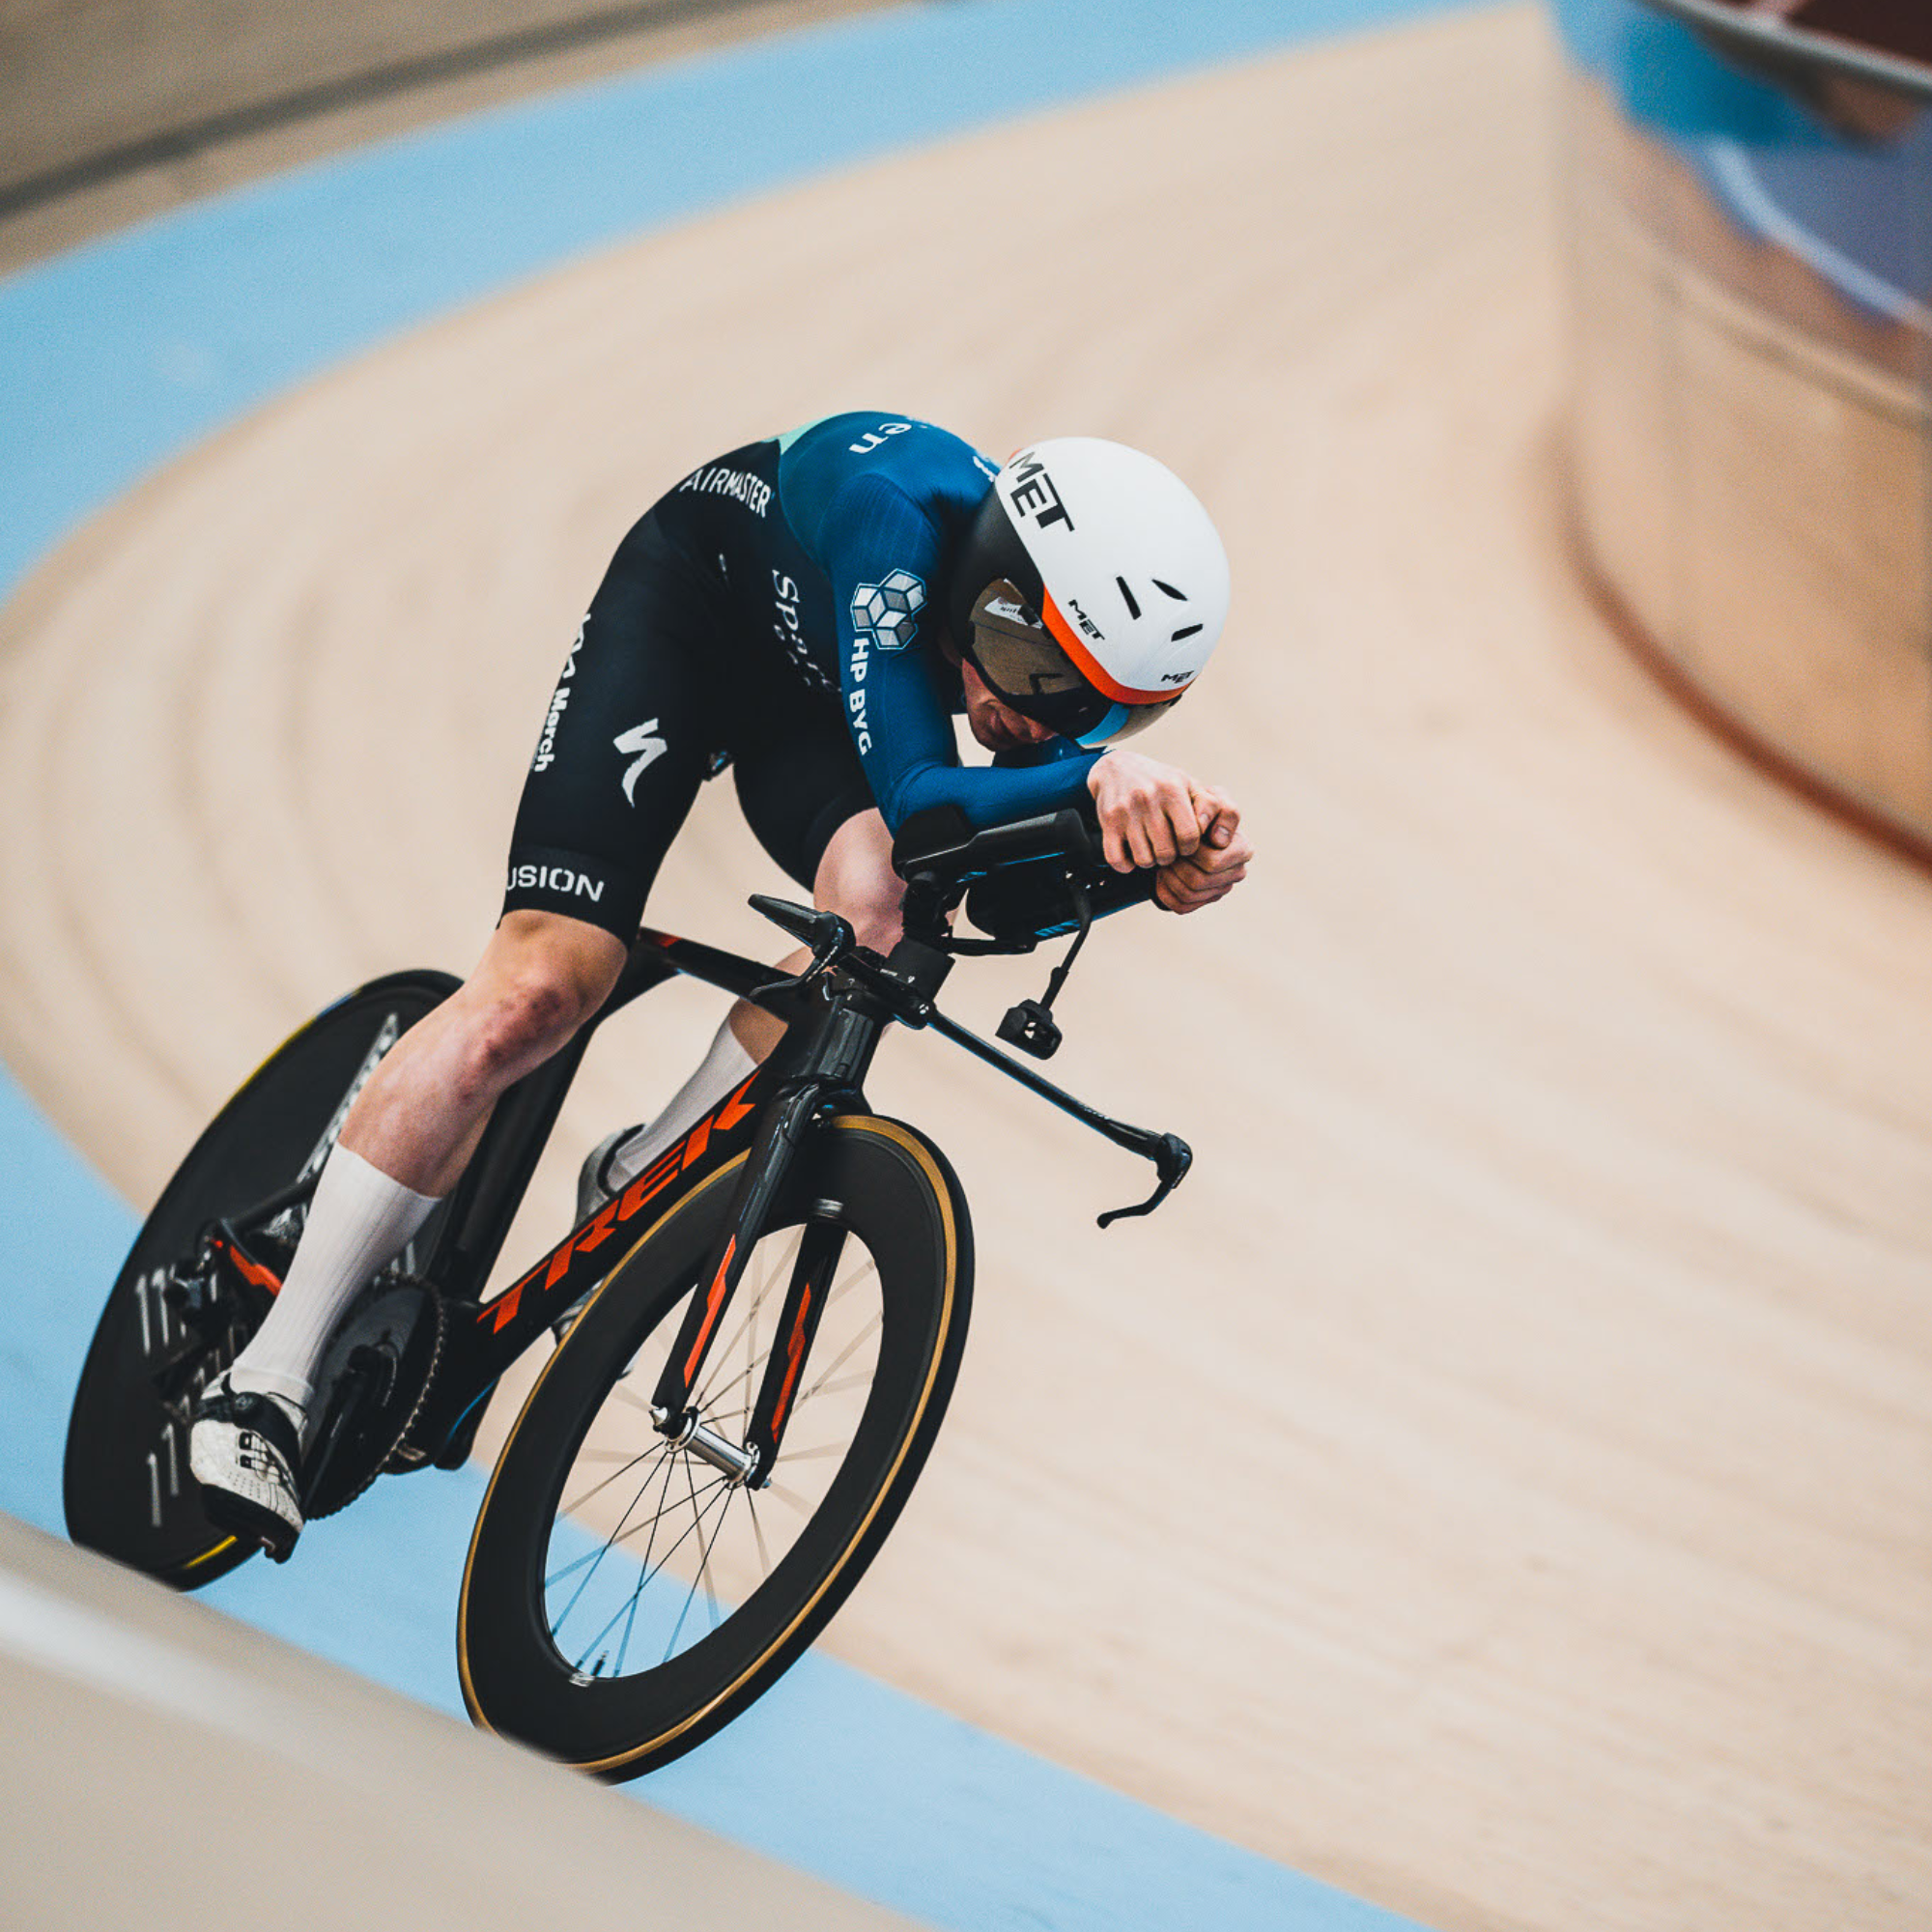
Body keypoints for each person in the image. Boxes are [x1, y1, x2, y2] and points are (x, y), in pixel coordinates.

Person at [186, 412, 1254, 1554]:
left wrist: (1138, 870)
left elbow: (980, 894)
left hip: (824, 709)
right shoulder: (892, 519)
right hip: (690, 619)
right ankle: (266, 1381)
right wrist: (1092, 782)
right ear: (993, 590)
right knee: (544, 985)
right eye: (1039, 677)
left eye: (1092, 710)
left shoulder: (1037, 658)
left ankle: (645, 1174)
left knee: (889, 918)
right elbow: (931, 805)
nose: (1039, 721)